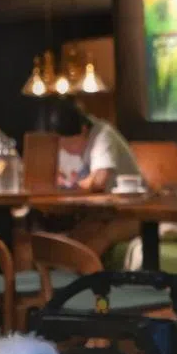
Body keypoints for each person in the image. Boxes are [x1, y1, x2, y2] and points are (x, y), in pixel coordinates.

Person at [42, 98, 140, 256]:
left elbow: (99, 180)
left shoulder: (103, 134)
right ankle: (60, 277)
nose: (69, 151)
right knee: (76, 238)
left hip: (133, 212)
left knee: (99, 238)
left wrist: (71, 186)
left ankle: (85, 277)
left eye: (72, 145)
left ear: (84, 129)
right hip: (104, 211)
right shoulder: (73, 134)